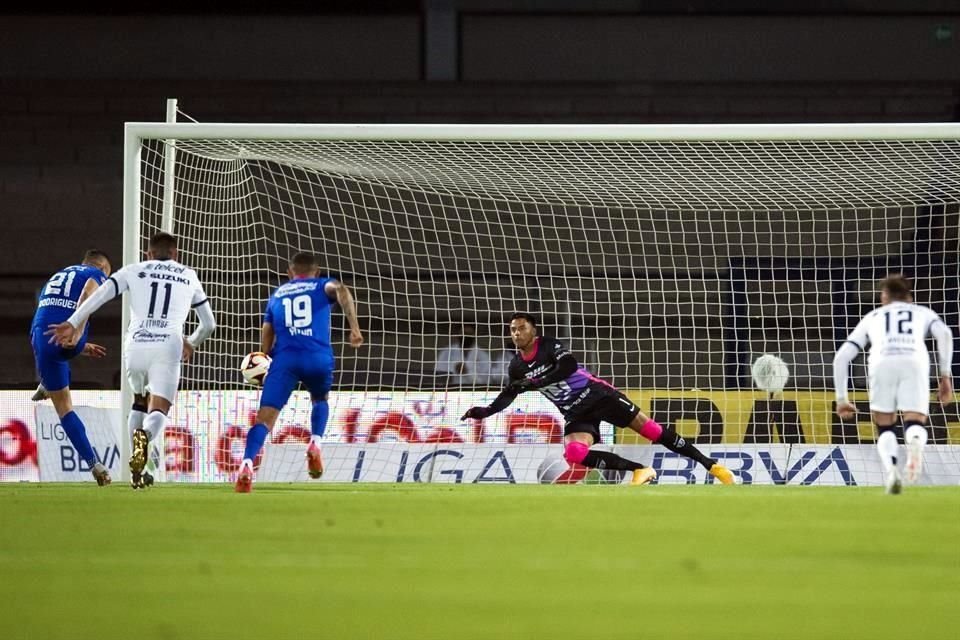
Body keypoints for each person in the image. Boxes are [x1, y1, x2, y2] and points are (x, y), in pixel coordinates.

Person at [462, 313, 735, 485]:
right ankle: (640, 470)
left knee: (652, 430)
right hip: (575, 413)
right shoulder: (516, 367)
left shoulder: (549, 345)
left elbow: (567, 367)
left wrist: (536, 382)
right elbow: (511, 392)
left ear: (533, 330)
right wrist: (485, 411)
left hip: (597, 395)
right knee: (574, 452)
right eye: (512, 330)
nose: (516, 333)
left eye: (521, 328)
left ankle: (713, 466)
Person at [47, 232, 216, 489]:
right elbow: (209, 324)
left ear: (148, 253)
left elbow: (98, 296)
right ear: (176, 254)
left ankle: (138, 472)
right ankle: (144, 439)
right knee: (158, 408)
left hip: (136, 344)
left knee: (138, 401)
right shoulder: (188, 274)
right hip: (167, 344)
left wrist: (72, 322)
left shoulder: (133, 270)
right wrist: (191, 342)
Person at [235, 253, 363, 493]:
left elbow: (267, 334)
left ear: (289, 273)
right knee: (320, 399)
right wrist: (354, 328)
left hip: (285, 360)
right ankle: (315, 442)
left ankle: (247, 464)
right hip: (317, 357)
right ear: (317, 271)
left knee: (264, 420)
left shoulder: (277, 295)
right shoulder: (322, 284)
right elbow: (342, 290)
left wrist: (265, 360)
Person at [833, 274, 954, 494]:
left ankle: (892, 472)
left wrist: (842, 398)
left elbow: (841, 357)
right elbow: (945, 334)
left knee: (885, 426)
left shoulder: (874, 316)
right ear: (908, 296)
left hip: (882, 362)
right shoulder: (923, 313)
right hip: (914, 362)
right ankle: (915, 442)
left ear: (884, 296)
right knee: (915, 422)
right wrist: (945, 374)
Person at [30, 250, 112, 485]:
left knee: (64, 410)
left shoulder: (59, 274)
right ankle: (47, 381)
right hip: (67, 336)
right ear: (103, 268)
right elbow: (88, 292)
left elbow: (49, 313)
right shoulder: (98, 274)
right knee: (66, 406)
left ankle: (95, 465)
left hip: (40, 337)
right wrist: (77, 330)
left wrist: (81, 346)